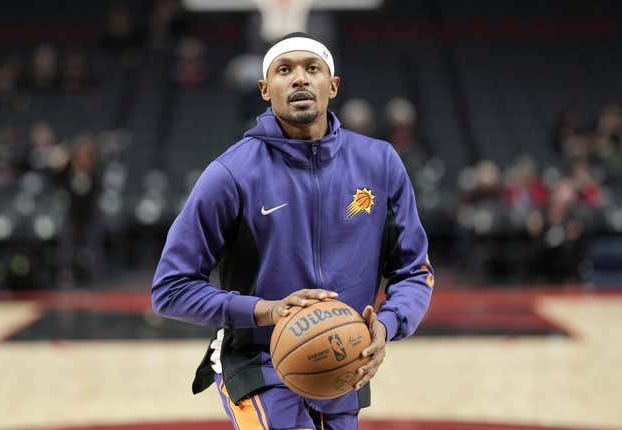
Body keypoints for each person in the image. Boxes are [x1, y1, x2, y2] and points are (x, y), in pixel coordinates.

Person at [152, 32, 434, 430]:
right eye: (285, 70)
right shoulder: (231, 174)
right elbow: (170, 289)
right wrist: (264, 311)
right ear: (266, 89)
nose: (299, 78)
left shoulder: (379, 164)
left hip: (341, 362)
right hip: (257, 362)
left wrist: (385, 325)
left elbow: (414, 271)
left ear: (332, 85)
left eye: (312, 68)